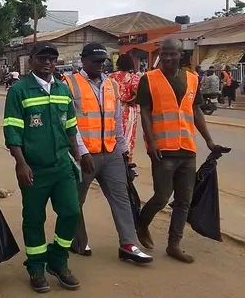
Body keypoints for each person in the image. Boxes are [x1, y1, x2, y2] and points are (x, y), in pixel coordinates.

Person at [135, 38, 225, 263]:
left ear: (180, 55)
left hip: (187, 149)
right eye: (164, 54)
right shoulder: (149, 79)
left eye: (172, 54)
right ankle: (141, 223)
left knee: (184, 200)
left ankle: (174, 244)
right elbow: (144, 112)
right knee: (162, 196)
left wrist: (209, 141)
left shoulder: (192, 79)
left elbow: (196, 111)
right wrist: (151, 143)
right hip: (163, 150)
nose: (167, 58)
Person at [3, 41, 82, 293]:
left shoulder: (62, 89)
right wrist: (21, 163)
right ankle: (36, 267)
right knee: (34, 218)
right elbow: (12, 130)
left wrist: (78, 154)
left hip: (62, 165)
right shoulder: (19, 91)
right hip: (34, 168)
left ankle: (58, 260)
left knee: (71, 212)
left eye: (52, 58)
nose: (48, 62)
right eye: (42, 58)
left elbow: (71, 126)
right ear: (31, 60)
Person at [65, 43, 153, 264]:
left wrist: (124, 154)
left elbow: (117, 122)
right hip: (84, 156)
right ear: (83, 60)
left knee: (121, 197)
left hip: (111, 152)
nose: (100, 65)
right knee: (75, 200)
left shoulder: (112, 85)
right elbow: (68, 123)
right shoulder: (69, 84)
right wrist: (81, 152)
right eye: (95, 61)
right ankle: (78, 240)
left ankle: (128, 244)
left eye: (102, 61)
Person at [109, 55, 141, 172]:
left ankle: (112, 163)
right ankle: (126, 164)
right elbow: (139, 94)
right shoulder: (133, 78)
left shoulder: (111, 77)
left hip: (111, 109)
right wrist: (130, 100)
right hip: (127, 111)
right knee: (127, 137)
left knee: (113, 136)